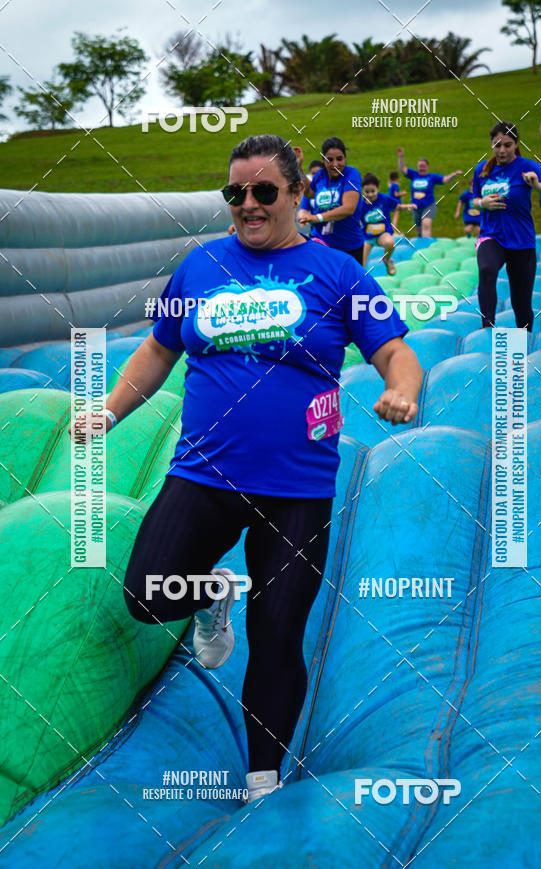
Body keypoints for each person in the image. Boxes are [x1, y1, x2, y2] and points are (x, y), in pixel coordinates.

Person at [72, 134, 422, 805]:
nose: (249, 204)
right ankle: (212, 593)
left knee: (277, 632)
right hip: (204, 476)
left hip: (297, 490)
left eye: (264, 191)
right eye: (236, 192)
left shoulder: (339, 273)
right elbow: (158, 350)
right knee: (147, 595)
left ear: (296, 193)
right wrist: (109, 410)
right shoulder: (200, 265)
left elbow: (395, 352)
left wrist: (402, 390)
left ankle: (264, 778)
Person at [472, 121, 541, 330]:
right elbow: (473, 200)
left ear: (516, 144)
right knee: (486, 269)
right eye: (497, 145)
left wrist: (537, 185)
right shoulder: (481, 170)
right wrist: (482, 203)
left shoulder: (528, 167)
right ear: (492, 145)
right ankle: (487, 328)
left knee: (521, 304)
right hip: (491, 236)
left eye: (507, 145)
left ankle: (526, 337)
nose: (502, 150)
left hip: (521, 241)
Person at [296, 137, 364, 263]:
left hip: (348, 246)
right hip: (321, 242)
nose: (335, 164)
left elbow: (349, 208)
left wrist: (317, 218)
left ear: (345, 158)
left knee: (350, 277)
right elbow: (309, 193)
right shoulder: (320, 175)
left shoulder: (351, 174)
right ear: (323, 160)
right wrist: (299, 167)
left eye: (339, 159)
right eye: (330, 160)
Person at [396, 146, 462, 238]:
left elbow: (445, 180)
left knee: (426, 224)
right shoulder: (414, 174)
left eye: (423, 166)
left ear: (427, 166)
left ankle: (427, 246)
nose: (421, 168)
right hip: (415, 207)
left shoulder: (432, 177)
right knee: (419, 231)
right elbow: (402, 169)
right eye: (420, 166)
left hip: (429, 206)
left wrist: (453, 175)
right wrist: (401, 156)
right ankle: (421, 245)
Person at [360, 172, 416, 273]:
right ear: (363, 190)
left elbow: (398, 207)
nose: (370, 194)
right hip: (367, 237)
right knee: (360, 264)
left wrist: (408, 206)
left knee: (390, 243)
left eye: (373, 191)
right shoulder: (360, 205)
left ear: (378, 188)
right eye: (367, 192)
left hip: (382, 234)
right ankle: (361, 279)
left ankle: (386, 260)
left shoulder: (384, 199)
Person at [297, 159, 324, 235]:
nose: (316, 175)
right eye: (313, 173)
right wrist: (302, 216)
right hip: (316, 231)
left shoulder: (331, 187)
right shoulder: (310, 191)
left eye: (318, 172)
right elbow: (303, 209)